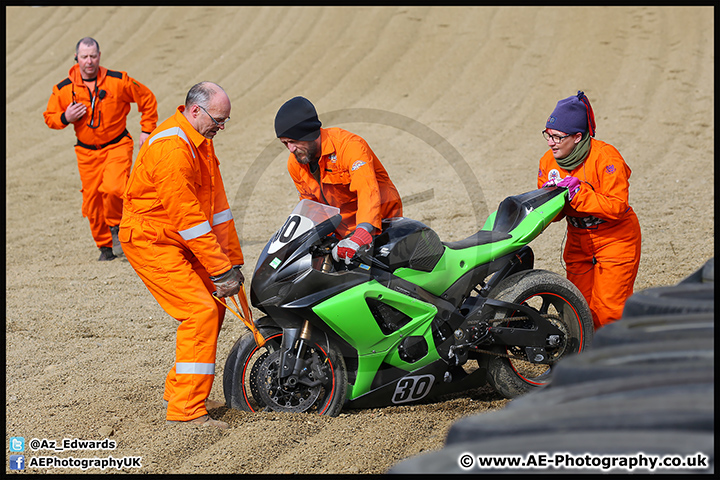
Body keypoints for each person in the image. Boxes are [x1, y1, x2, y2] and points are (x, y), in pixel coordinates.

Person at [120, 82, 244, 429]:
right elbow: (188, 218)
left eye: (225, 120)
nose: (221, 127)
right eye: (218, 120)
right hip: (151, 239)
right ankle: (186, 412)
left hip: (175, 237)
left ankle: (183, 390)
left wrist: (230, 261)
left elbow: (217, 209)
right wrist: (220, 270)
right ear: (194, 111)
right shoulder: (173, 148)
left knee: (213, 305)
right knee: (199, 311)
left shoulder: (200, 142)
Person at [43, 37, 158, 261]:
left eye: (93, 56)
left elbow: (147, 98)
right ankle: (105, 247)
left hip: (117, 144)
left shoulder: (118, 80)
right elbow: (50, 118)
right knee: (92, 201)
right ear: (76, 58)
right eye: (84, 56)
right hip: (86, 152)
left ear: (99, 56)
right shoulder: (63, 89)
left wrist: (147, 129)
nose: (89, 61)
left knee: (115, 188)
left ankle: (117, 227)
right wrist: (65, 117)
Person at [538, 91, 642, 330]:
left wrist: (579, 194)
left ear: (577, 136)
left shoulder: (606, 158)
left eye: (556, 137)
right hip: (577, 239)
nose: (550, 142)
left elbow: (617, 206)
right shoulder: (548, 162)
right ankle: (585, 360)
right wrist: (549, 202)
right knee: (578, 308)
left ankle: (616, 361)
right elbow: (556, 217)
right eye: (548, 135)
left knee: (609, 310)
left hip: (615, 238)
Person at [274, 96, 403, 264]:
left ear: (310, 133)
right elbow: (311, 205)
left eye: (293, 141)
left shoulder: (350, 147)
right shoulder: (296, 163)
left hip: (380, 226)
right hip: (344, 235)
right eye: (285, 143)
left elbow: (367, 191)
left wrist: (362, 233)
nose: (291, 149)